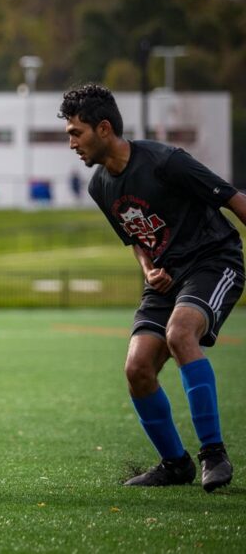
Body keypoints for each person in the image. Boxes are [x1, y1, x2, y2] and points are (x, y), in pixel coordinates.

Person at [59, 83, 246, 492]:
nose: (71, 142)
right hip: (164, 278)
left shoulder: (166, 162)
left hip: (212, 262)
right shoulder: (99, 186)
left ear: (103, 128)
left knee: (181, 334)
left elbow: (234, 200)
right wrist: (148, 269)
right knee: (137, 369)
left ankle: (213, 455)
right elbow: (137, 240)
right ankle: (174, 464)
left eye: (76, 132)